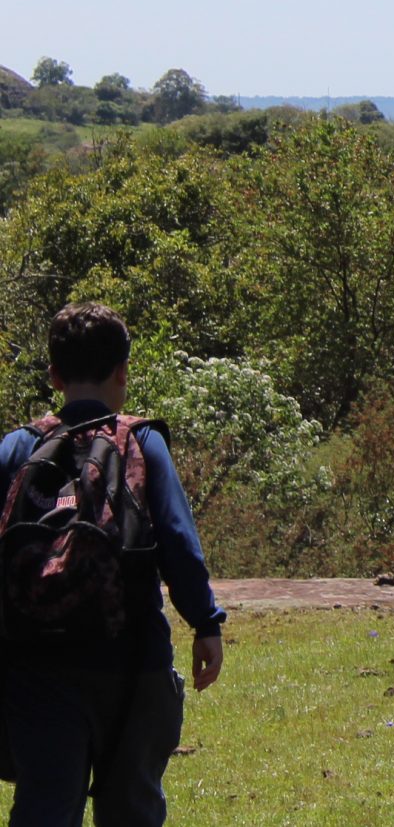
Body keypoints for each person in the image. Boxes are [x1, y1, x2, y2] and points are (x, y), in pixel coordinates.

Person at [0, 304, 225, 827]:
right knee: (132, 809)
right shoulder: (142, 442)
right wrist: (205, 622)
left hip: (35, 666)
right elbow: (176, 539)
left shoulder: (18, 448)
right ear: (123, 370)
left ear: (54, 375)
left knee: (45, 807)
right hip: (132, 663)